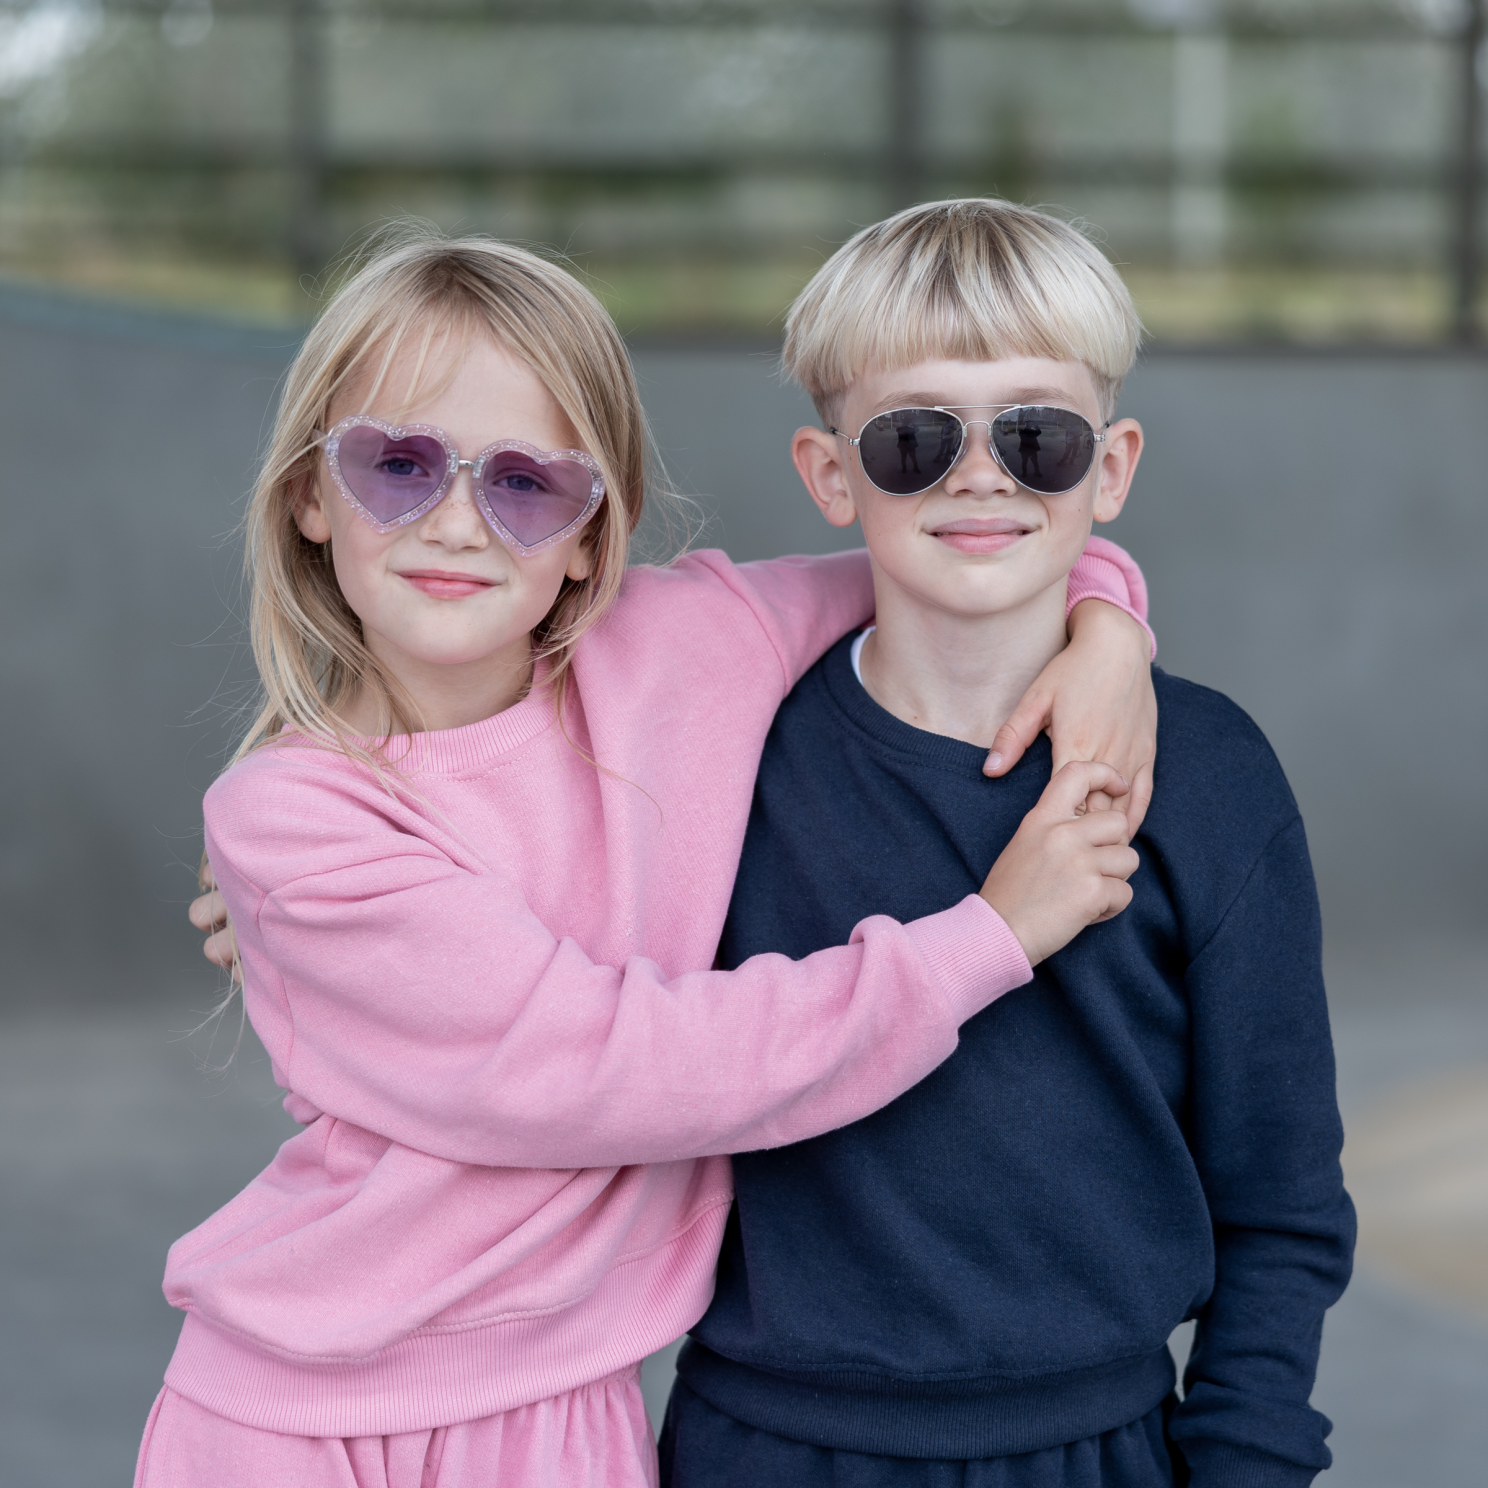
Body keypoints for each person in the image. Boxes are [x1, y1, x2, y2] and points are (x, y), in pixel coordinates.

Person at [145, 229, 1160, 1488]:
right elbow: (611, 1065)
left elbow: (958, 553)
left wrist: (1110, 618)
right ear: (310, 494)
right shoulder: (289, 818)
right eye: (395, 465)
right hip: (303, 1415)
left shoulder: (688, 643)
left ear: (589, 533)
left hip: (574, 1405)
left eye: (525, 482)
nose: (457, 522)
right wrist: (987, 939)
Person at [659, 199, 1356, 1488]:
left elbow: (1282, 1207)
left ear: (1112, 466)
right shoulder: (720, 760)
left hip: (1101, 1455)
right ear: (829, 473)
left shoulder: (1206, 776)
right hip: (758, 1450)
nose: (980, 475)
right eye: (915, 437)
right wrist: (278, 897)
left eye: (1037, 434)